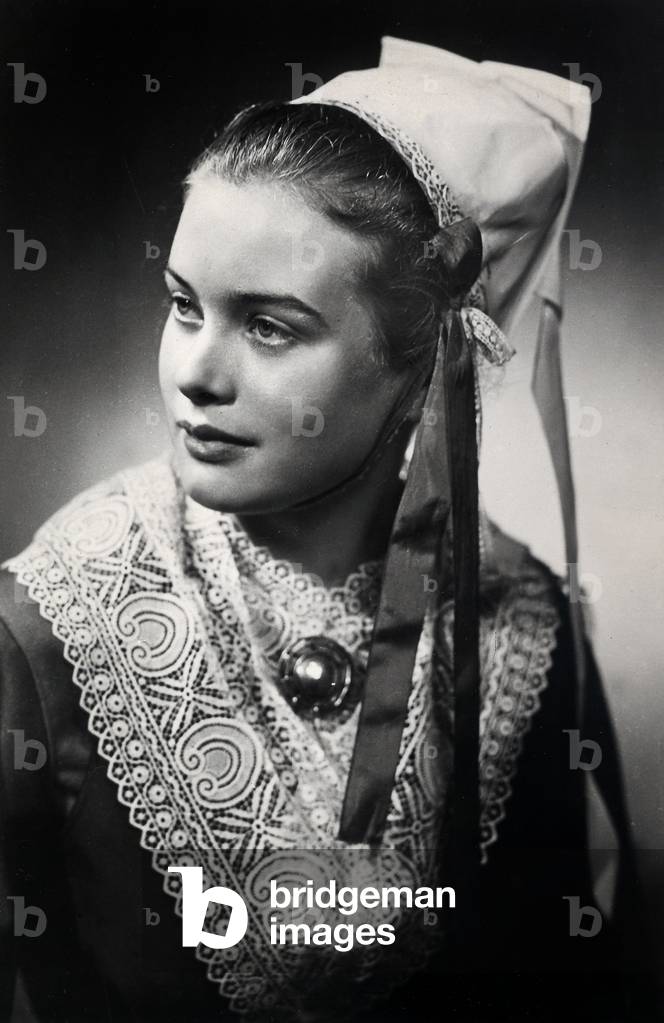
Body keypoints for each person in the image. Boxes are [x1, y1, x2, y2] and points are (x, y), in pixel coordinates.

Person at [0, 36, 655, 1023]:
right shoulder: (45, 633)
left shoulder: (522, 626)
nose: (196, 375)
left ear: (421, 371)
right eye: (184, 306)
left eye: (270, 326)